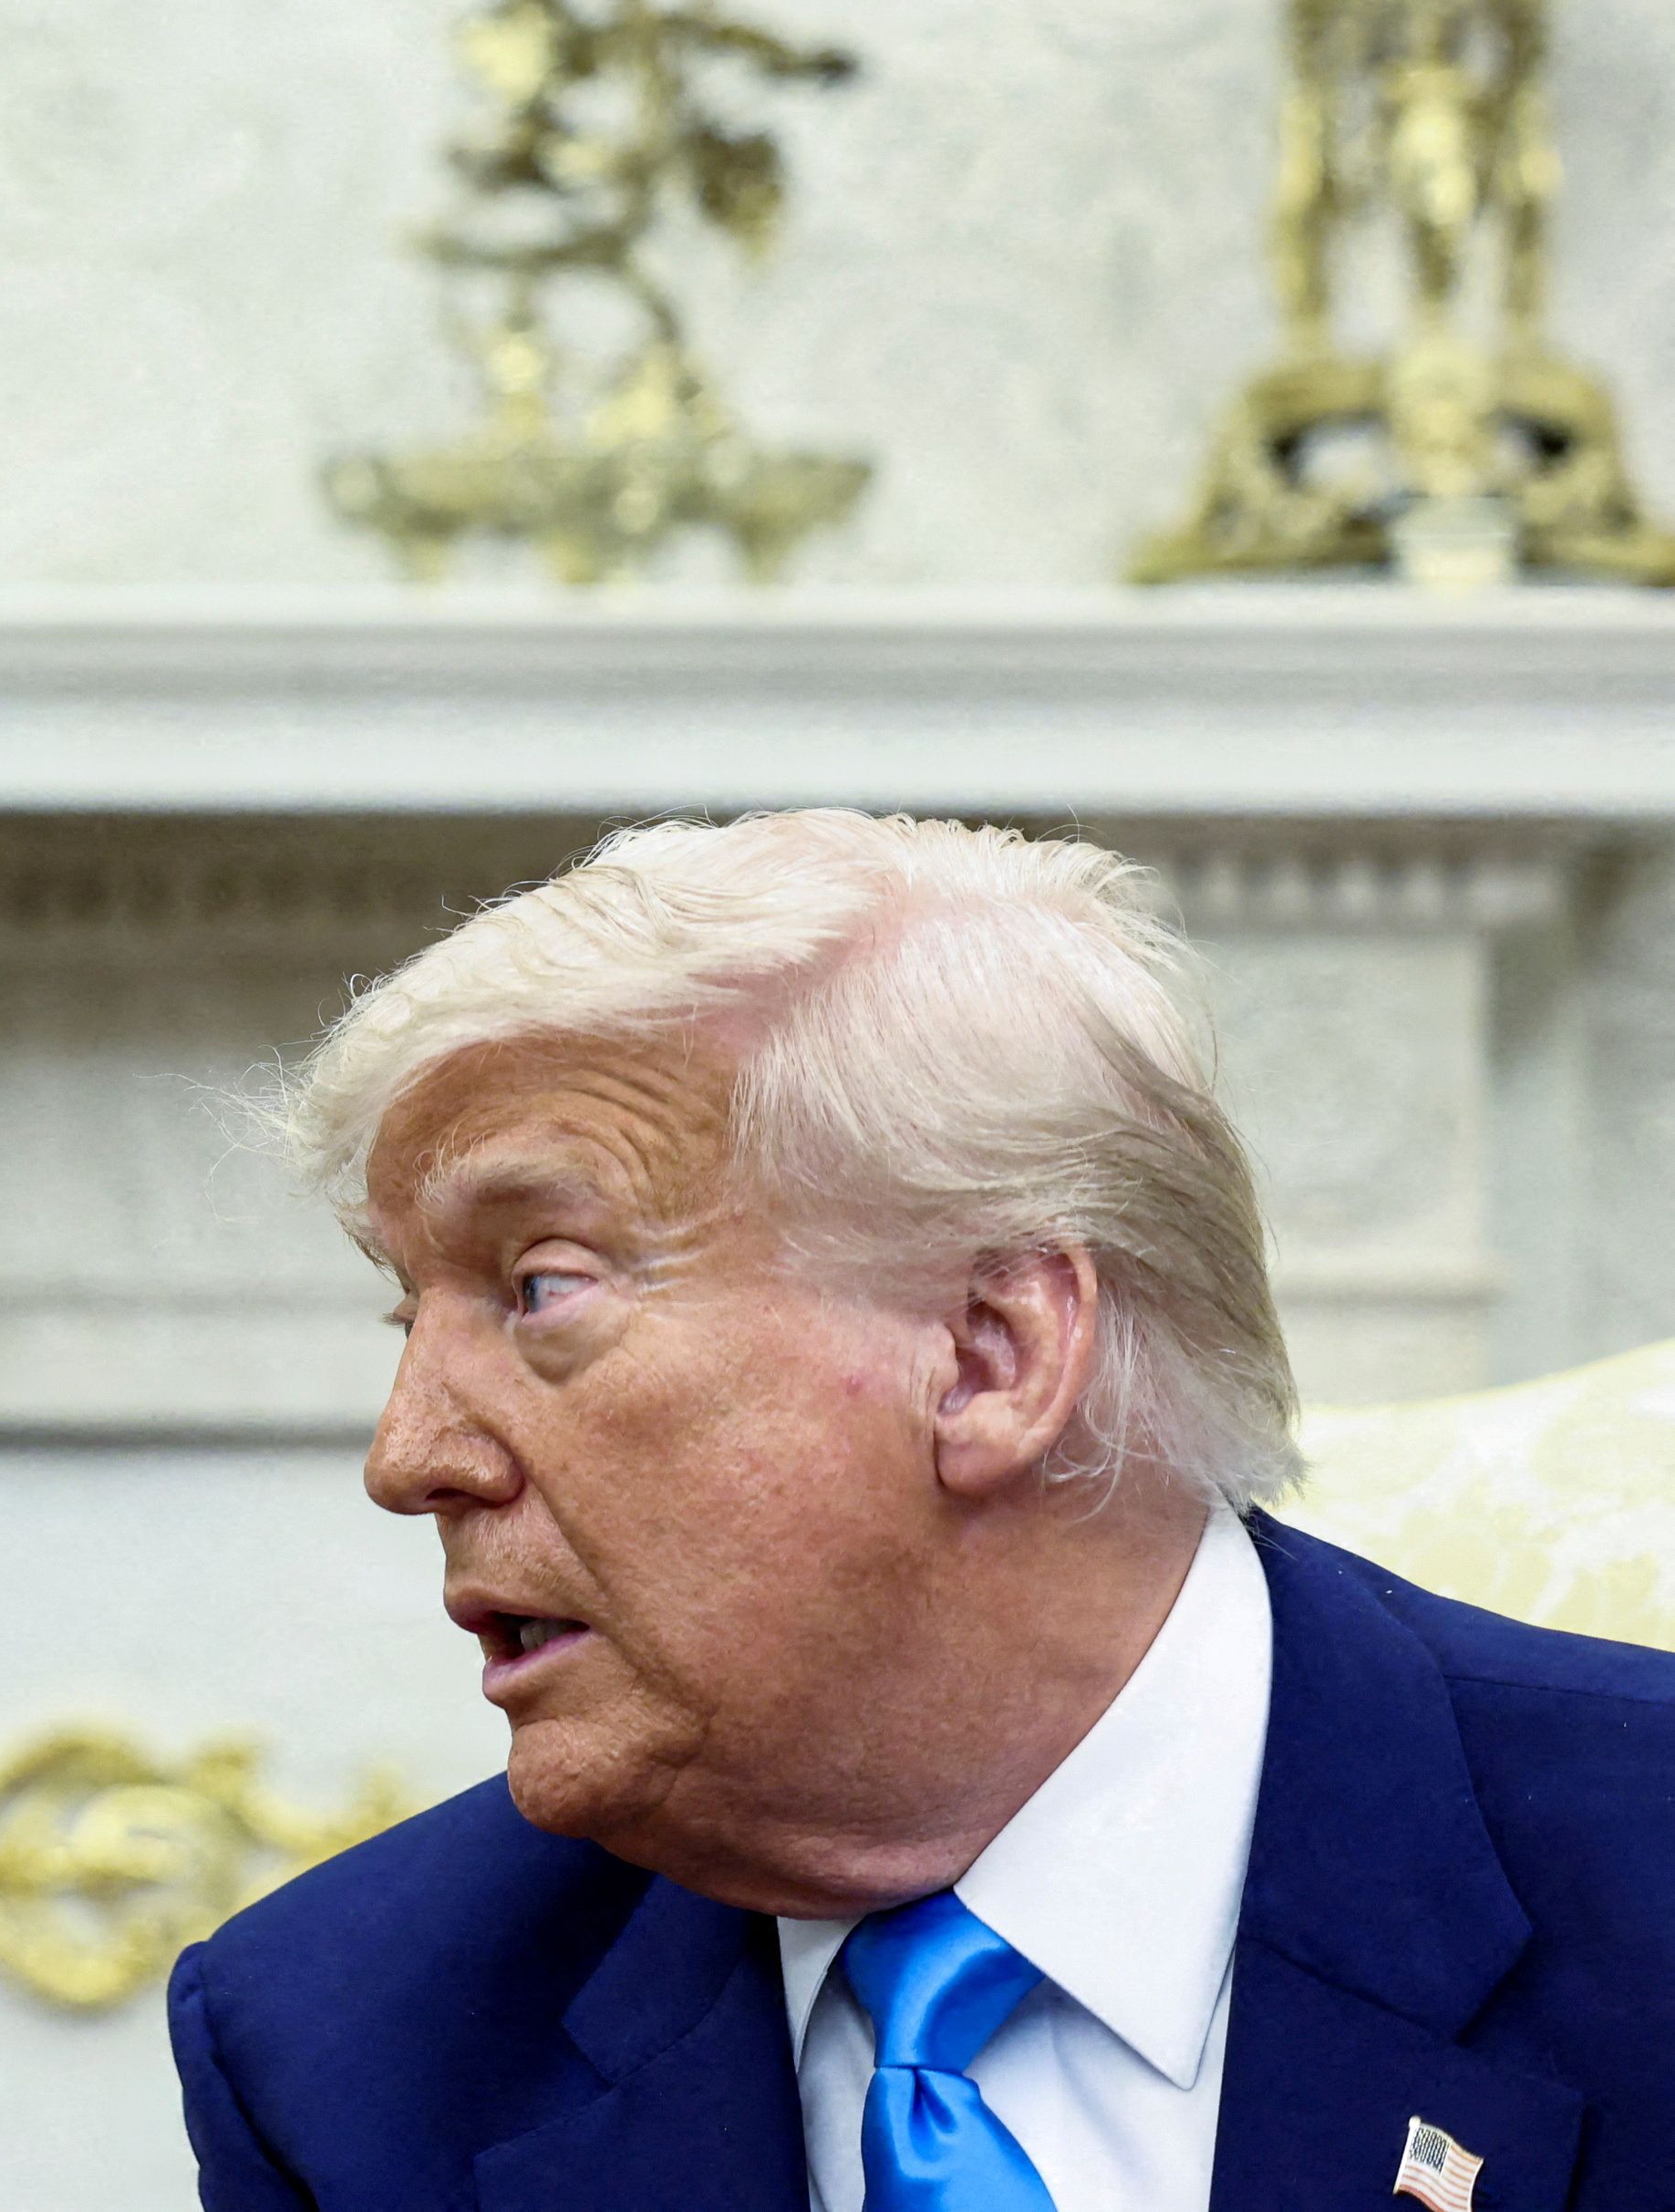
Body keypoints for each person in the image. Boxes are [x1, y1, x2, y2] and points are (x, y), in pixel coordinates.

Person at [174, 811, 1675, 2212]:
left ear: (988, 1354)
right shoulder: (347, 2053)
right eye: (407, 1320)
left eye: (541, 1287)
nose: (410, 1454)